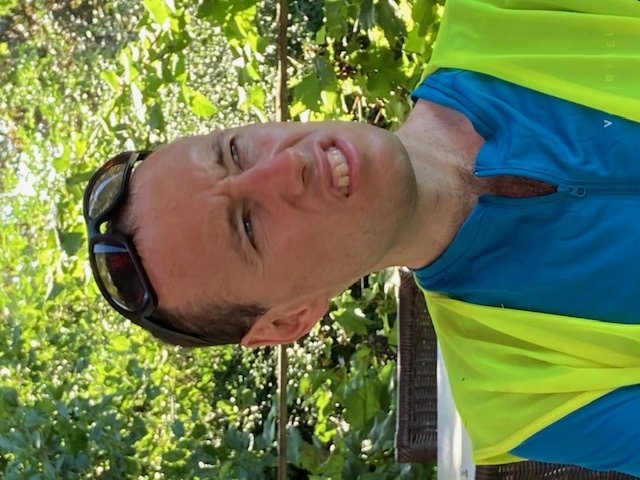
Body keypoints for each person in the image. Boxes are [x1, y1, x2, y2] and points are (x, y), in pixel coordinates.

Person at [83, 0, 640, 475]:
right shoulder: (517, 394)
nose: (286, 166)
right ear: (287, 320)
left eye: (234, 152)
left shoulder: (501, 13)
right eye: (248, 227)